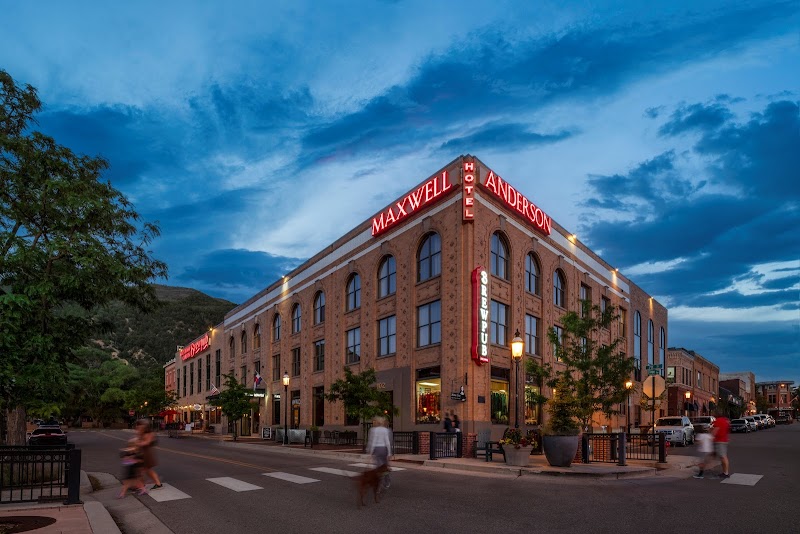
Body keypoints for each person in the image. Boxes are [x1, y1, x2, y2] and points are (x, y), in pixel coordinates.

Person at [136, 419, 163, 489]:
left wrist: (138, 443)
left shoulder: (150, 434)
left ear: (146, 426)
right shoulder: (142, 433)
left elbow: (147, 442)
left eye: (141, 425)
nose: (139, 427)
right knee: (143, 470)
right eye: (139, 425)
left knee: (146, 470)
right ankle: (142, 484)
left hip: (147, 453)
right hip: (142, 452)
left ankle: (157, 484)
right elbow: (139, 439)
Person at [366, 416, 392, 489]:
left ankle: (379, 481)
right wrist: (389, 452)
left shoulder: (374, 430)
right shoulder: (385, 430)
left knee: (378, 466)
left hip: (377, 449)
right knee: (385, 465)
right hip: (384, 449)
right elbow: (387, 441)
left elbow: (373, 441)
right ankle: (387, 480)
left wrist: (370, 452)